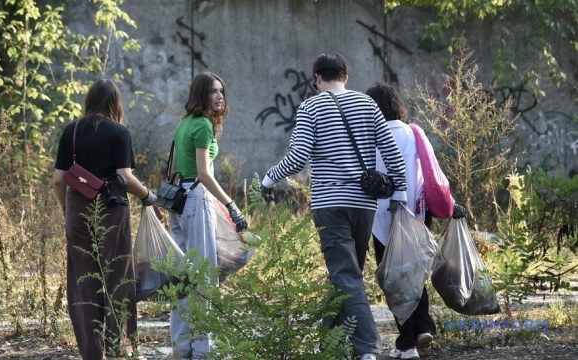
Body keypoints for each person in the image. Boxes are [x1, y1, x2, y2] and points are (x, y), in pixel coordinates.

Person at [260, 54, 408, 360]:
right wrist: (400, 191)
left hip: (331, 203)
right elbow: (391, 150)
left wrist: (270, 178)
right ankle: (329, 342)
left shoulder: (311, 106)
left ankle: (366, 348)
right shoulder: (367, 105)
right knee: (344, 273)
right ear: (346, 77)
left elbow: (299, 154)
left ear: (317, 78)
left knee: (345, 275)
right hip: (365, 203)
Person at [53, 79, 156, 360]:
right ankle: (119, 348)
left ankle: (91, 353)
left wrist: (67, 210)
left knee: (84, 281)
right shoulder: (119, 132)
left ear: (89, 100)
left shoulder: (70, 131)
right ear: (115, 103)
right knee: (117, 278)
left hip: (77, 210)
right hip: (111, 211)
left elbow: (58, 181)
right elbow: (125, 177)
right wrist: (148, 196)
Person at [366, 83, 466, 360]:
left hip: (382, 217)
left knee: (394, 277)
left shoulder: (370, 136)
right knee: (415, 269)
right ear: (398, 105)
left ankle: (407, 343)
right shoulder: (414, 133)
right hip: (419, 213)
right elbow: (434, 175)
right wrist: (451, 203)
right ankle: (423, 327)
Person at [169, 71, 248, 358]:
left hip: (180, 202)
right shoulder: (201, 124)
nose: (220, 96)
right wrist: (230, 204)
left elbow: (181, 169)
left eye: (222, 91)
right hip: (195, 198)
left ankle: (181, 346)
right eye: (214, 91)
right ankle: (203, 350)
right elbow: (203, 174)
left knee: (183, 277)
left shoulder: (184, 123)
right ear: (201, 94)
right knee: (204, 276)